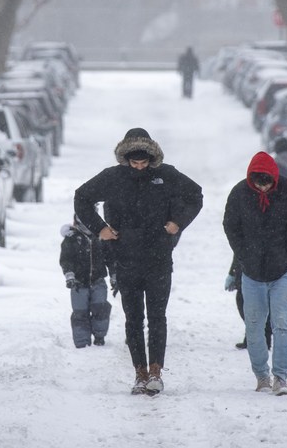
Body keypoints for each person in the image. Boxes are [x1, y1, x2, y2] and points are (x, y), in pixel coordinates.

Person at [74, 128, 203, 395]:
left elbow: (195, 195)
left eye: (144, 163)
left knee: (157, 317)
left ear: (152, 158)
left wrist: (178, 223)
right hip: (126, 259)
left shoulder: (166, 175)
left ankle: (156, 371)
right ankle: (139, 374)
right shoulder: (113, 177)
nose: (140, 167)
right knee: (133, 319)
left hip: (159, 259)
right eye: (135, 163)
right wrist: (100, 228)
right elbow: (82, 197)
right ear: (126, 159)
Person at [223, 151, 287, 395]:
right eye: (258, 184)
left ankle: (280, 377)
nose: (263, 188)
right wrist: (244, 254)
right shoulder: (240, 193)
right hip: (251, 272)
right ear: (251, 179)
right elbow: (230, 225)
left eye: (267, 183)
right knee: (254, 325)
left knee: (282, 323)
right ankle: (261, 374)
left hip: (283, 270)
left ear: (274, 178)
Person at [59, 215, 114, 348]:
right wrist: (69, 275)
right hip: (78, 283)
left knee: (100, 308)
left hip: (98, 280)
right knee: (80, 313)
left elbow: (110, 258)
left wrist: (114, 275)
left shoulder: (101, 236)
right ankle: (82, 342)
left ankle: (99, 336)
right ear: (76, 221)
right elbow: (66, 259)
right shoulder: (71, 239)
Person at [224, 257, 271, 350]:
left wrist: (233, 273)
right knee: (247, 301)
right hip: (249, 266)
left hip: (255, 266)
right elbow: (238, 251)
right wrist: (233, 273)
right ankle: (256, 337)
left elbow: (239, 251)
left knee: (247, 301)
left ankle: (261, 337)